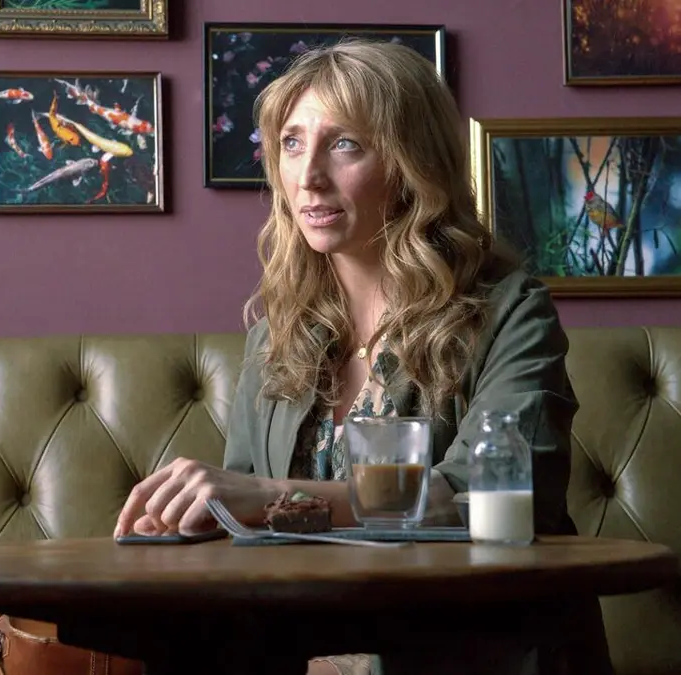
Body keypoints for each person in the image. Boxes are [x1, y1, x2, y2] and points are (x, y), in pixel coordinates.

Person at [114, 39, 608, 675]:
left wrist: (271, 497)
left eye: (345, 144)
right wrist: (194, 520)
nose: (308, 176)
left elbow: (493, 495)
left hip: (474, 650)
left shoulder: (509, 311)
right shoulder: (277, 334)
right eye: (292, 143)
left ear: (411, 164)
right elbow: (246, 511)